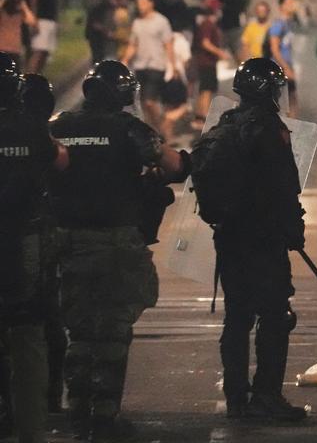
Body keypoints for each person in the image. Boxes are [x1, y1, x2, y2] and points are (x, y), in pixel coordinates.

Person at [48, 60, 187, 439]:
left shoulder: (58, 126)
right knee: (112, 329)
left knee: (78, 330)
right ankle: (105, 414)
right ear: (123, 94)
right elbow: (171, 163)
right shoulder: (127, 128)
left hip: (67, 242)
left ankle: (76, 411)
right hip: (116, 242)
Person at [212, 58, 308, 422]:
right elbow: (285, 186)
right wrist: (293, 229)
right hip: (264, 238)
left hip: (231, 237)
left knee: (236, 317)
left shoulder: (226, 125)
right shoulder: (270, 128)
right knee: (274, 316)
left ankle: (237, 398)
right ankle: (267, 395)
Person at [0, 54, 67, 443]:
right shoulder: (31, 129)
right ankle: (31, 427)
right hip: (23, 241)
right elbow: (59, 162)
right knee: (28, 336)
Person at [121, 0, 176, 141]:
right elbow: (133, 44)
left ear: (151, 3)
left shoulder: (161, 21)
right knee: (143, 104)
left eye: (143, 3)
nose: (141, 7)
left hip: (156, 65)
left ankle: (161, 128)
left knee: (150, 101)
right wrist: (125, 60)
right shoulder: (137, 23)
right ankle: (151, 134)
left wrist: (172, 65)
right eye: (139, 4)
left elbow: (168, 44)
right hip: (140, 65)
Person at [192, 0, 232, 130]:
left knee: (205, 89)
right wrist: (220, 53)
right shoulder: (208, 24)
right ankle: (202, 117)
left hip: (206, 62)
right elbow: (205, 43)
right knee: (206, 90)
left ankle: (200, 117)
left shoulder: (205, 23)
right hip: (206, 62)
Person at [268, 0, 301, 116]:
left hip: (286, 65)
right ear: (281, 6)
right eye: (289, 3)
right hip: (279, 67)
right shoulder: (278, 25)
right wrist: (286, 67)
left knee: (291, 96)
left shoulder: (289, 23)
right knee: (284, 98)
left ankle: (291, 125)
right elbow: (274, 48)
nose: (292, 6)